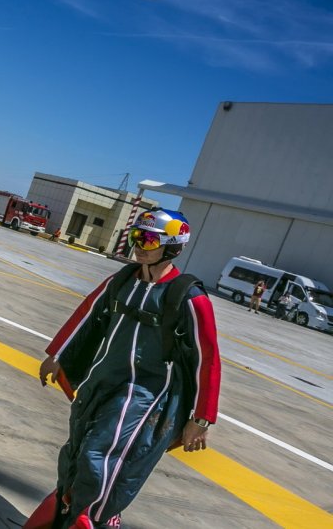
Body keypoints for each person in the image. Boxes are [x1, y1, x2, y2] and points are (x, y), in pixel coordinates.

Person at [31, 209, 221, 528]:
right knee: (74, 450)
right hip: (102, 380)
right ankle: (65, 508)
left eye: (149, 240)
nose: (140, 245)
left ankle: (94, 517)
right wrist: (57, 355)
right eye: (136, 237)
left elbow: (208, 359)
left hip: (146, 392)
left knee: (98, 453)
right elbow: (87, 313)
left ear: (173, 246)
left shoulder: (189, 298)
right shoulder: (120, 281)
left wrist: (201, 419)